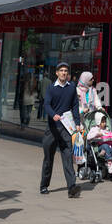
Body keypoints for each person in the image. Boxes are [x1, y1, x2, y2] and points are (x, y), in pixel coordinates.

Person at [40, 63, 81, 198]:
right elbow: (46, 104)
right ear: (57, 73)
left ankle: (71, 187)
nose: (63, 73)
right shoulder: (52, 88)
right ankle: (44, 185)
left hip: (66, 128)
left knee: (68, 157)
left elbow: (75, 105)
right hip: (52, 128)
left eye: (65, 71)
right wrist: (53, 115)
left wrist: (78, 123)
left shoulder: (71, 88)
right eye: (61, 71)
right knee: (48, 158)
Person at [88, 110, 112, 178]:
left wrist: (111, 136)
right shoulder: (95, 129)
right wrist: (97, 134)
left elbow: (110, 136)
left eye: (105, 121)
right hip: (100, 147)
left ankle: (108, 153)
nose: (105, 123)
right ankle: (109, 163)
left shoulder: (106, 129)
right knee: (105, 146)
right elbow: (88, 137)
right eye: (102, 122)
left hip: (108, 147)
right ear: (98, 122)